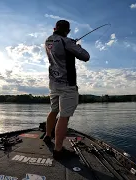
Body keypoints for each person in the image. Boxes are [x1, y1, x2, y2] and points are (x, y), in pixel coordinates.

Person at [43, 20, 90, 160]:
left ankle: (47, 135)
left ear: (55, 28)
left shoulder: (48, 41)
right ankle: (58, 150)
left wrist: (69, 43)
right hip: (67, 85)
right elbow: (86, 56)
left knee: (53, 110)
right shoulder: (67, 42)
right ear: (68, 31)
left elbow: (59, 45)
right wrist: (76, 45)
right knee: (64, 117)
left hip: (53, 84)